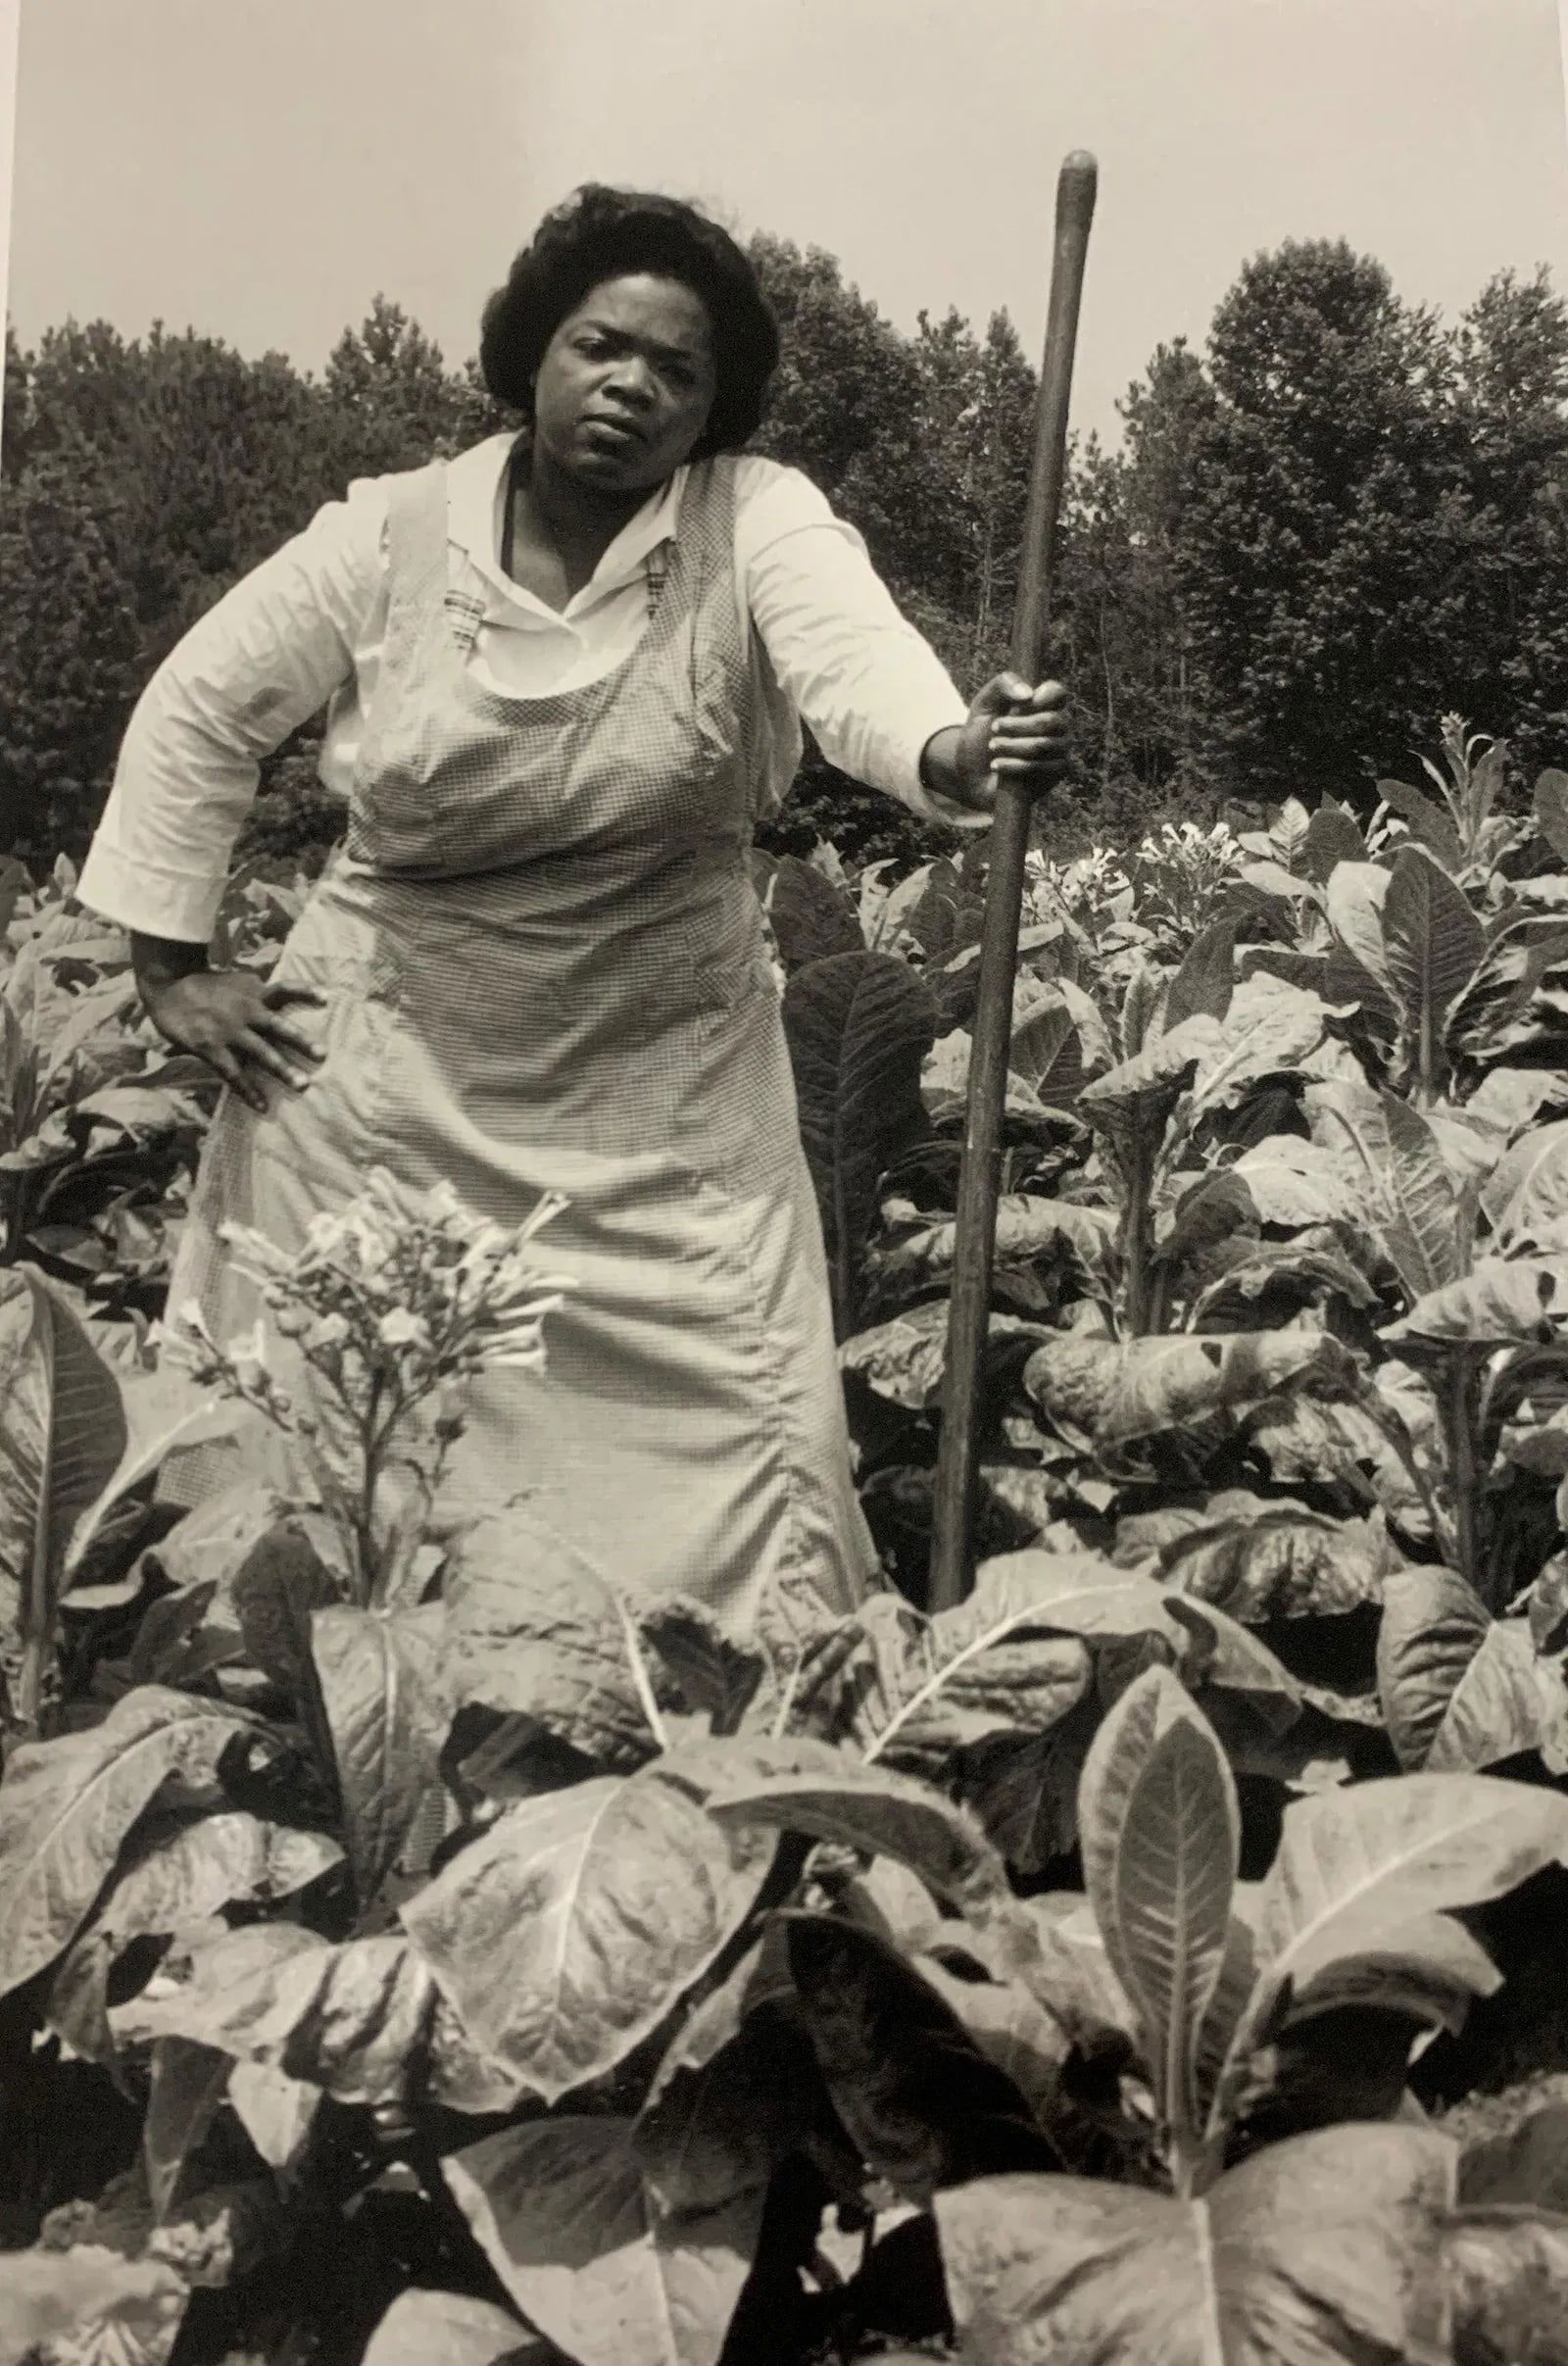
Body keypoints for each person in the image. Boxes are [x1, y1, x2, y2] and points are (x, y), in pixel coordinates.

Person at [79, 183, 1071, 1628]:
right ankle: (369, 1776)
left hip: (661, 1085)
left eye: (679, 371)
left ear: (714, 407)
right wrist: (173, 968)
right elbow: (198, 712)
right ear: (531, 354)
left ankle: (743, 1777)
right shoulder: (391, 537)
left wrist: (950, 749)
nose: (635, 389)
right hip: (383, 1085)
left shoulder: (756, 521)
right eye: (602, 346)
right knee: (355, 1447)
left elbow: (856, 667)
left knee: (762, 1438)